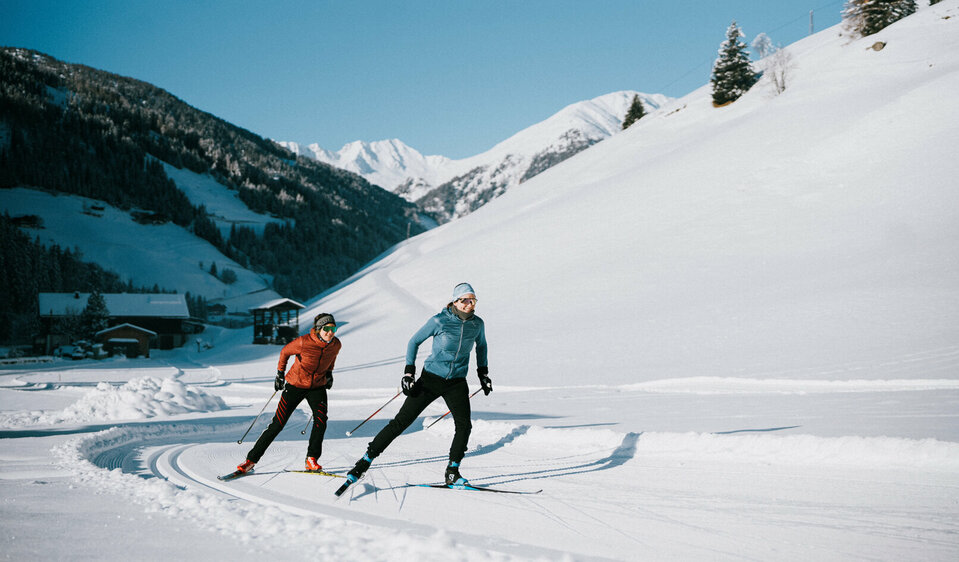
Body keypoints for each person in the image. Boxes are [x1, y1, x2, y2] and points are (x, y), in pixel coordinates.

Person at [344, 282, 491, 487]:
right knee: (401, 422)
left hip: (457, 381)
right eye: (465, 300)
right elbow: (414, 342)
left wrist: (483, 373)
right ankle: (364, 461)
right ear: (455, 302)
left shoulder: (477, 324)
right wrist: (408, 372)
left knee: (464, 426)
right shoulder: (439, 321)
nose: (469, 304)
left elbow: (481, 346)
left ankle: (452, 471)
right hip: (431, 379)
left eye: (473, 300)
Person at [234, 313, 341, 474]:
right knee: (278, 424)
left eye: (333, 328)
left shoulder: (336, 344)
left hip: (317, 386)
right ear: (319, 329)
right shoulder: (304, 342)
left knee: (321, 420)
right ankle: (251, 460)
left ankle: (312, 459)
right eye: (327, 328)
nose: (330, 332)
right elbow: (285, 352)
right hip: (295, 385)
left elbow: (332, 358)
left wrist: (329, 373)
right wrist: (280, 374)